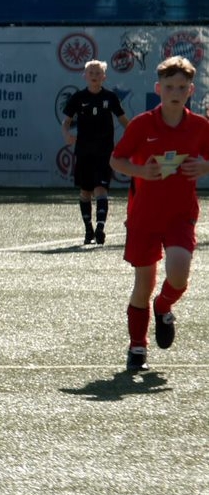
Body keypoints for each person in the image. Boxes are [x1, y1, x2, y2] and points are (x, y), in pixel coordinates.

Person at [110, 55, 209, 372]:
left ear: (191, 90)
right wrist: (140, 171)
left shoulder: (200, 126)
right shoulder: (142, 124)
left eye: (181, 87)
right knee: (144, 284)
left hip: (180, 214)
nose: (175, 92)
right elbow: (116, 160)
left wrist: (205, 165)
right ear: (158, 89)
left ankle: (163, 307)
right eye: (169, 87)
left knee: (178, 272)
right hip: (144, 216)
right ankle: (137, 347)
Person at [62, 59, 130, 245]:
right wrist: (66, 134)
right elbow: (66, 122)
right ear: (84, 76)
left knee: (101, 189)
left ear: (104, 77)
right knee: (85, 192)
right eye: (91, 73)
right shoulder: (78, 97)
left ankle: (100, 228)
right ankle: (88, 229)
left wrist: (136, 134)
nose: (94, 76)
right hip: (84, 151)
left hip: (104, 151)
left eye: (98, 73)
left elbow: (123, 119)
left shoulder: (110, 97)